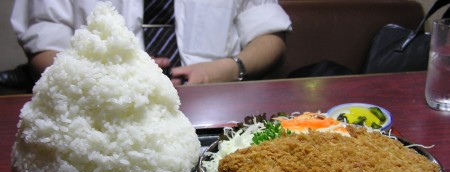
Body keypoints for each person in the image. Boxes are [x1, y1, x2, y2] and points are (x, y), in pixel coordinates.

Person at [10, 0, 292, 86]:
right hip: (102, 109)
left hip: (216, 107)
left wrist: (228, 69)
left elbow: (270, 35)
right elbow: (43, 47)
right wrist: (100, 78)